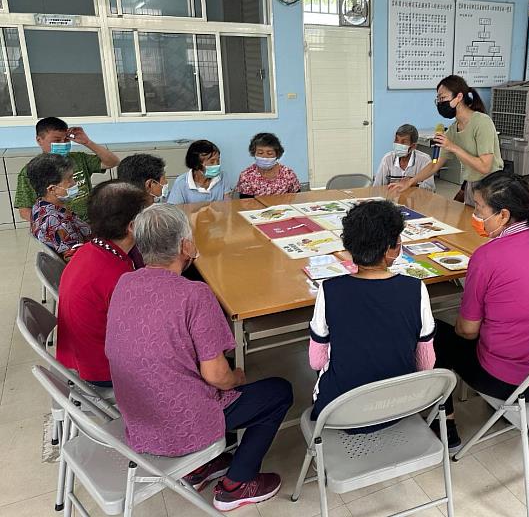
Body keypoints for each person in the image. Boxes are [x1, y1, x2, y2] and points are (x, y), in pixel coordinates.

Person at [106, 204, 293, 511]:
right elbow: (216, 376)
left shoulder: (124, 282)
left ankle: (202, 466)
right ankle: (237, 483)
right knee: (278, 391)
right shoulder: (194, 294)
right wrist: (237, 378)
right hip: (182, 424)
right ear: (186, 246)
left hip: (138, 418)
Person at [433, 171, 529, 449]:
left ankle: (446, 423)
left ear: (502, 215)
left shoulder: (487, 256)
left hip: (511, 384)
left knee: (436, 332)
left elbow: (466, 330)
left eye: (478, 208)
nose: (475, 214)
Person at [309, 201, 436, 427]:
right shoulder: (415, 289)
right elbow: (426, 364)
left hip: (340, 415)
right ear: (391, 250)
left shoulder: (329, 290)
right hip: (400, 408)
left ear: (349, 248)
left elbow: (316, 361)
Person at [57, 181, 148, 387]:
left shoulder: (92, 250)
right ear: (133, 226)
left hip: (83, 357)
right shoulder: (118, 277)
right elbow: (144, 335)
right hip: (104, 371)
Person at [388, 75, 503, 206]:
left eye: (443, 98)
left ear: (459, 97)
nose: (440, 103)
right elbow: (435, 165)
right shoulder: (453, 130)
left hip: (492, 186)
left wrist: (452, 147)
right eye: (438, 99)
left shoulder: (482, 122)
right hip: (472, 186)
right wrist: (410, 181)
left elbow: (484, 166)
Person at [15, 117, 120, 222]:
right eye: (56, 140)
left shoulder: (79, 159)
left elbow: (112, 162)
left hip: (90, 223)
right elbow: (25, 210)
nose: (63, 143)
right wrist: (51, 226)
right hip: (61, 229)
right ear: (39, 140)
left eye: (66, 140)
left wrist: (87, 142)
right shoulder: (30, 171)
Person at [27, 154, 91, 260]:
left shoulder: (39, 206)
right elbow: (78, 261)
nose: (74, 183)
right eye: (70, 179)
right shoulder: (58, 222)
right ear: (52, 189)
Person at [168, 140, 235, 204]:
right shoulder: (181, 183)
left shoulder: (223, 177)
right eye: (212, 162)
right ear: (197, 165)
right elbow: (173, 212)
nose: (217, 164)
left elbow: (227, 207)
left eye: (218, 160)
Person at [236, 133, 300, 197]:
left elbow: (297, 198)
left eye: (269, 153)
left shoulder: (288, 174)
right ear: (254, 153)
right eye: (260, 153)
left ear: (277, 154)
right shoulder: (246, 176)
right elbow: (245, 203)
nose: (265, 157)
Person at [373, 124, 435, 191]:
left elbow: (430, 189)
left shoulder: (425, 160)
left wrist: (411, 183)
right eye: (396, 140)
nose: (398, 144)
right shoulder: (388, 159)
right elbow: (377, 187)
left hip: (415, 199)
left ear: (413, 146)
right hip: (391, 199)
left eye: (403, 142)